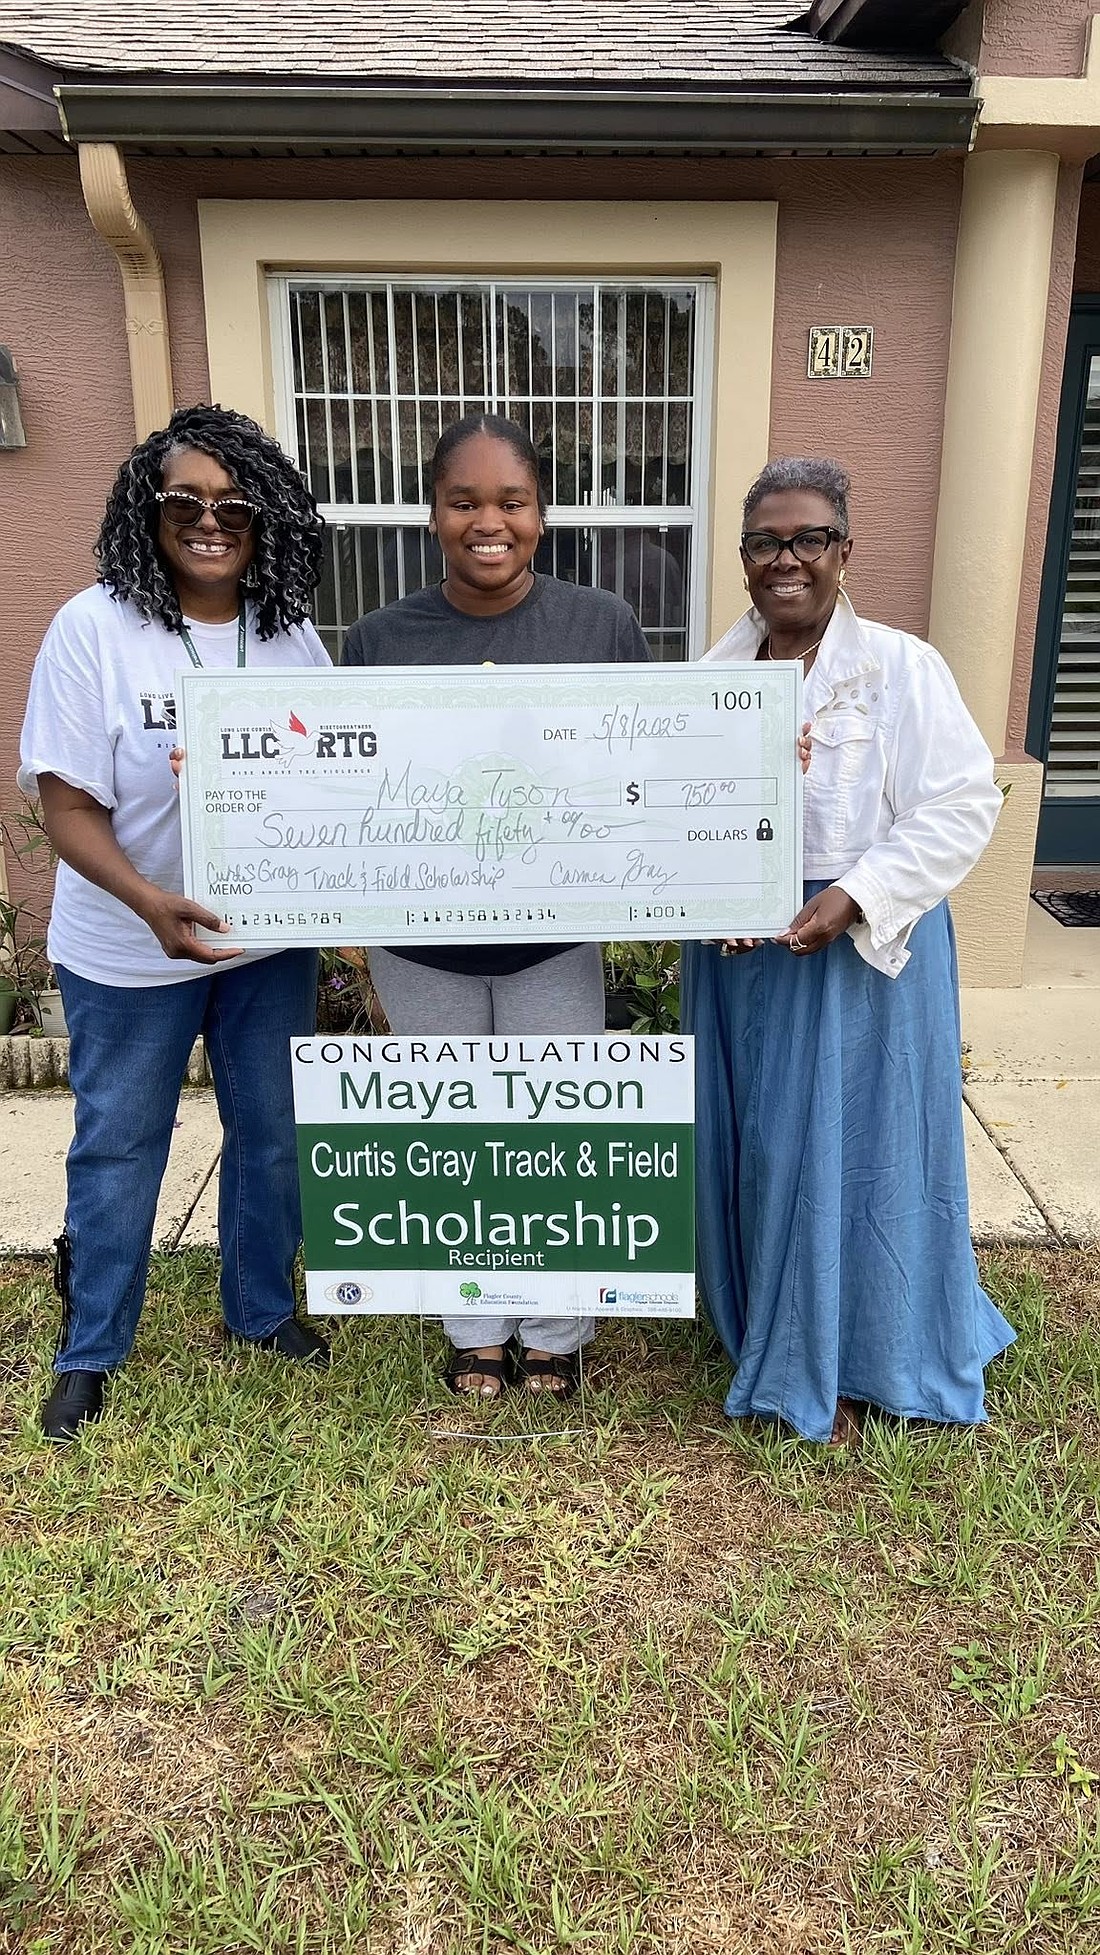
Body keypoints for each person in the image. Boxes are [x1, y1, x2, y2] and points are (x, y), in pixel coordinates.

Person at [681, 457, 1014, 1447]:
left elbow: (958, 804)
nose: (786, 559)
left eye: (808, 539)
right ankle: (773, 1331)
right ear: (743, 557)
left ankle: (861, 1353)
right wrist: (708, 890)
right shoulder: (710, 679)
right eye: (765, 542)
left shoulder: (901, 668)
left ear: (843, 551)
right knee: (766, 1146)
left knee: (857, 1158)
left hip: (861, 952)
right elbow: (669, 809)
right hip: (742, 954)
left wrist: (854, 893)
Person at [19, 404, 332, 1444]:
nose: (209, 521)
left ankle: (261, 1310)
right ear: (145, 512)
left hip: (263, 943)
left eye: (234, 505)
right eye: (184, 501)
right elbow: (67, 805)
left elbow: (335, 773)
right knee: (120, 1144)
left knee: (272, 1134)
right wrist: (149, 901)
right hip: (126, 945)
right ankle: (90, 1348)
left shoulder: (287, 632)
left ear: (265, 518)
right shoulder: (94, 628)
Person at [342, 412, 651, 1399]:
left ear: (541, 514)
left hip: (553, 940)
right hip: (421, 943)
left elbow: (645, 757)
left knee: (555, 1133)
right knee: (449, 1135)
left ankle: (556, 1328)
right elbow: (343, 782)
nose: (489, 522)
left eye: (511, 501)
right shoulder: (379, 638)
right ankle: (475, 1325)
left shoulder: (601, 623)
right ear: (432, 514)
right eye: (463, 501)